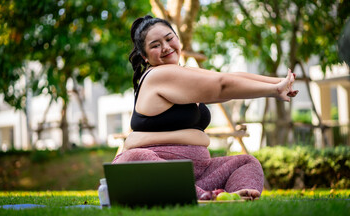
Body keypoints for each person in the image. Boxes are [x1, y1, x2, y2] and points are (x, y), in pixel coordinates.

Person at [112, 15, 298, 200]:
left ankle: (233, 199)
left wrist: (278, 83)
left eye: (169, 39)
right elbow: (221, 85)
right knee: (136, 158)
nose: (166, 47)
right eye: (155, 45)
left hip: (199, 176)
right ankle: (205, 198)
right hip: (154, 177)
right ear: (144, 56)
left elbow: (229, 76)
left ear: (177, 38)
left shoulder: (183, 73)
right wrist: (272, 90)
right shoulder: (157, 75)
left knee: (246, 162)